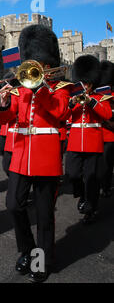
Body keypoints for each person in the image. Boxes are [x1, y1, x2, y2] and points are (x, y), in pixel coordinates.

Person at [0, 24, 72, 283]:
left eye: (39, 62)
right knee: (13, 205)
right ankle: (27, 250)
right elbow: (6, 118)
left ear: (48, 63)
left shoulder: (60, 87)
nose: (35, 67)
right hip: (20, 154)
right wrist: (4, 102)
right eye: (32, 62)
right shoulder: (20, 87)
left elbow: (61, 113)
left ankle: (41, 260)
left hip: (46, 158)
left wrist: (40, 88)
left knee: (43, 215)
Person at [66, 55, 113, 224]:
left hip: (93, 142)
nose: (84, 86)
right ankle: (82, 194)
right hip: (75, 142)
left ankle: (90, 208)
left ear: (93, 83)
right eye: (82, 83)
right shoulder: (75, 98)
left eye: (87, 83)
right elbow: (65, 115)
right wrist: (71, 105)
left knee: (91, 178)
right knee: (72, 173)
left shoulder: (101, 98)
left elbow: (107, 114)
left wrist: (91, 102)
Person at [99, 60, 114, 199]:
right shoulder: (99, 95)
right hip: (99, 134)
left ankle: (106, 185)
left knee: (108, 164)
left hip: (110, 135)